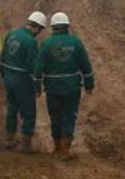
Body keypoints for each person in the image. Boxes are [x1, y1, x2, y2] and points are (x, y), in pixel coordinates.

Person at [34, 12, 94, 159]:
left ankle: (57, 147)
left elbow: (38, 69)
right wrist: (89, 84)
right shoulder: (76, 42)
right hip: (72, 88)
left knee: (55, 116)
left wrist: (37, 88)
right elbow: (86, 65)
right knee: (69, 116)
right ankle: (65, 149)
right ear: (67, 26)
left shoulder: (46, 44)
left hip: (53, 88)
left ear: (53, 27)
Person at [1, 11, 47, 152]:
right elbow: (33, 67)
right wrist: (37, 87)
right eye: (39, 30)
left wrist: (4, 75)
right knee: (28, 112)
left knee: (12, 109)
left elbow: (3, 56)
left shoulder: (12, 34)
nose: (38, 33)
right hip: (22, 81)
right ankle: (26, 144)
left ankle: (9, 140)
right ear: (37, 27)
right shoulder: (31, 41)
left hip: (8, 77)